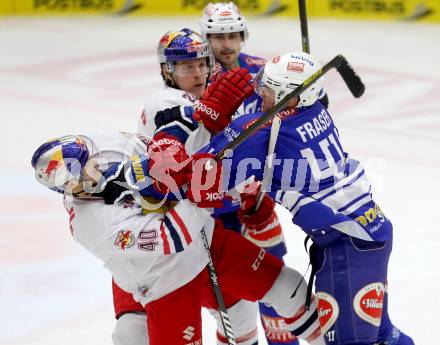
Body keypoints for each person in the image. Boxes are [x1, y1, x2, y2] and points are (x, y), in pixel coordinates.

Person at [192, 51, 414, 345]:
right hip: (371, 231)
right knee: (384, 336)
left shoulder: (264, 131)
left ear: (290, 97)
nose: (261, 94)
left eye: (268, 89)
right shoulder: (317, 111)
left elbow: (198, 181)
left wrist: (214, 121)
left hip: (345, 247)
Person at [31, 131, 324, 345]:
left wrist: (169, 154)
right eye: (85, 166)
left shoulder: (110, 147)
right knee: (132, 336)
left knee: (289, 288)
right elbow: (172, 235)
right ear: (70, 184)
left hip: (207, 241)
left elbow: (156, 150)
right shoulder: (89, 225)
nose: (96, 163)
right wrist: (197, 190)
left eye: (90, 156)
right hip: (165, 282)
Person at [135, 27, 289, 345]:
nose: (198, 73)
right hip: (183, 224)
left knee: (256, 304)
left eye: (202, 65)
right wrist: (209, 115)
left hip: (221, 209)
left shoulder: (226, 84)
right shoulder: (164, 100)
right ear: (167, 69)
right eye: (187, 67)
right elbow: (181, 136)